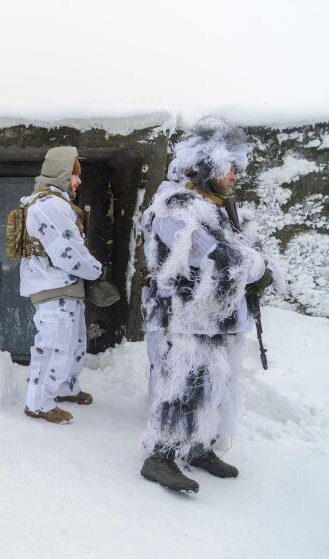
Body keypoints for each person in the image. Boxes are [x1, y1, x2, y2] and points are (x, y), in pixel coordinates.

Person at [139, 119, 278, 493]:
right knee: (180, 387)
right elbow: (212, 255)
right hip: (185, 318)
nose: (236, 174)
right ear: (203, 165)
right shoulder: (176, 205)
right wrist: (258, 267)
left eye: (236, 166)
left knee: (213, 385)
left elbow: (247, 249)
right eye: (228, 166)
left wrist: (254, 264)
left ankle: (199, 446)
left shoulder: (216, 206)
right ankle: (161, 455)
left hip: (214, 318)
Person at [19, 146, 103, 424]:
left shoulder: (56, 203)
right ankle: (38, 403)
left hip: (65, 288)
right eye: (75, 175)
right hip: (54, 288)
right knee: (53, 346)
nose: (78, 181)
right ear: (62, 173)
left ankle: (66, 387)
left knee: (74, 342)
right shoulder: (50, 206)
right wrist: (96, 270)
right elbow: (68, 252)